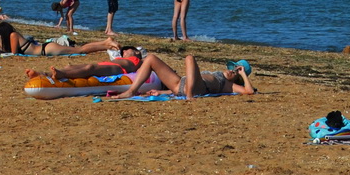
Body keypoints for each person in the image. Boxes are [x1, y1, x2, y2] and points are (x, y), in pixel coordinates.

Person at [106, 53, 255, 100]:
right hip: (179, 85)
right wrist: (163, 92)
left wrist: (243, 75)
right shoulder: (221, 75)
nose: (232, 71)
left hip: (196, 88)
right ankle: (132, 91)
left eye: (235, 72)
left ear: (238, 77)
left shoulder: (229, 85)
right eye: (232, 68)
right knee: (151, 58)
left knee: (189, 58)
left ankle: (189, 97)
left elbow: (249, 92)